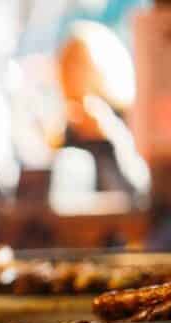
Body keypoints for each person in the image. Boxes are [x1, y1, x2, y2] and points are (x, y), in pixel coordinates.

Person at [54, 21, 148, 198]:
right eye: (66, 65)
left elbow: (139, 192)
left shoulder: (127, 118)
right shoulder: (66, 129)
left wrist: (109, 136)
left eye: (78, 65)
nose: (71, 75)